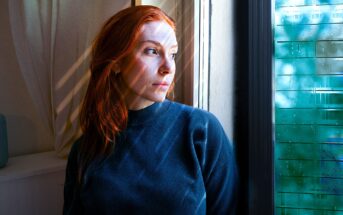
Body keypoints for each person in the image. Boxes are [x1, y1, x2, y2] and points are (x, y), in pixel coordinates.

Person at [63, 5, 238, 215]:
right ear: (117, 62)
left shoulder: (201, 130)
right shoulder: (85, 150)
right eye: (152, 51)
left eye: (173, 54)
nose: (168, 67)